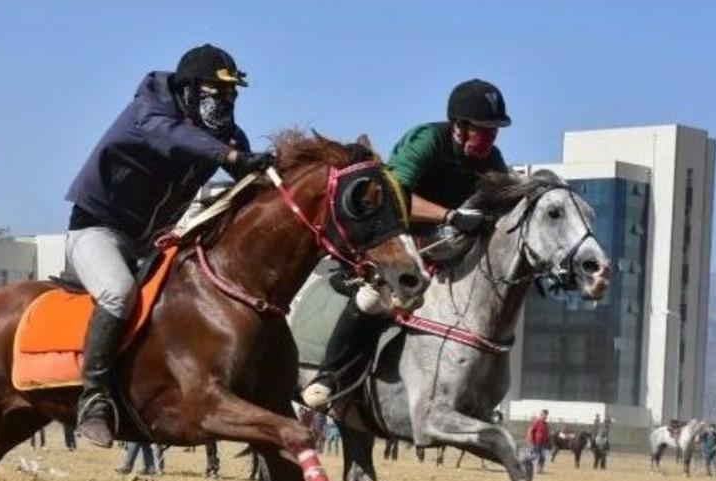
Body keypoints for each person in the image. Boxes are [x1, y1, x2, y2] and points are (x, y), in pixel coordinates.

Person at [65, 44, 274, 446]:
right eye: (219, 92)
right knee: (117, 292)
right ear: (191, 89)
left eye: (232, 94)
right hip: (96, 231)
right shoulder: (149, 110)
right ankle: (93, 399)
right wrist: (231, 157)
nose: (227, 102)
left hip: (150, 242)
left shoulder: (223, 135)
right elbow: (175, 137)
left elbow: (253, 177)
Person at [302, 79, 511, 408]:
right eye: (482, 130)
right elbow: (391, 197)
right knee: (373, 300)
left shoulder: (493, 160)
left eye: (495, 130)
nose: (489, 138)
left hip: (445, 251)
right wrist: (451, 216)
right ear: (458, 124)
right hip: (394, 243)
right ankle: (329, 376)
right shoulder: (426, 140)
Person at [527, 409, 550, 474]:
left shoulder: (545, 424)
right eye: (544, 415)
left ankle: (540, 470)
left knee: (542, 457)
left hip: (542, 444)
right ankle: (525, 463)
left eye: (546, 415)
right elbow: (532, 431)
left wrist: (547, 442)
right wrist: (532, 441)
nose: (545, 417)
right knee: (534, 456)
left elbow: (546, 434)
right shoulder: (537, 422)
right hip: (536, 443)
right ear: (541, 415)